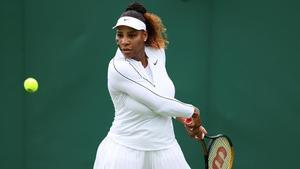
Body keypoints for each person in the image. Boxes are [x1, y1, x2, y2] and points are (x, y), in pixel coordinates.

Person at [93, 2, 207, 169]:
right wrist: (193, 112)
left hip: (166, 151)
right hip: (125, 154)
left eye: (131, 35)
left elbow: (164, 97)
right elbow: (159, 104)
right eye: (120, 35)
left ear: (144, 35)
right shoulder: (118, 67)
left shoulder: (157, 53)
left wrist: (185, 119)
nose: (124, 41)